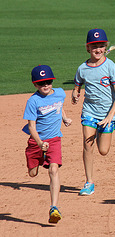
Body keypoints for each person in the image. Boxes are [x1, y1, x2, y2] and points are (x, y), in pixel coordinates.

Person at [71, 29, 115, 196]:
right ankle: (89, 182)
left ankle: (103, 131)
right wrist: (75, 92)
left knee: (103, 150)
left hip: (108, 114)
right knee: (87, 144)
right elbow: (78, 83)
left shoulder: (110, 67)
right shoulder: (82, 68)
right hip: (89, 111)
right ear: (88, 48)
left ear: (105, 47)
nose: (98, 49)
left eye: (101, 46)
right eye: (94, 46)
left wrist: (109, 117)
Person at [22, 65, 72, 223]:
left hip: (55, 139)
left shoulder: (60, 93)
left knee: (53, 170)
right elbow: (31, 127)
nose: (46, 85)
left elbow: (60, 105)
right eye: (41, 83)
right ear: (35, 84)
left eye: (48, 82)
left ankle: (54, 208)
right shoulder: (33, 101)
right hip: (36, 141)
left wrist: (64, 118)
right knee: (32, 173)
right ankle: (37, 159)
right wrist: (39, 143)